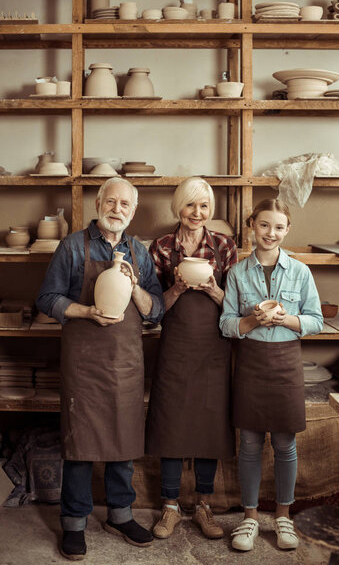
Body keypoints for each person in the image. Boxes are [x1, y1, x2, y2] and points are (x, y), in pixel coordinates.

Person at [36, 177, 164, 561]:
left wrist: (135, 287)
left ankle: (120, 515)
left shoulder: (138, 252)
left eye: (125, 204)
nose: (117, 209)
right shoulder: (73, 246)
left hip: (124, 360)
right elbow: (47, 298)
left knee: (123, 440)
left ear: (133, 210)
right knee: (80, 443)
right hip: (84, 361)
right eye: (111, 202)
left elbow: (155, 308)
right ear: (98, 204)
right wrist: (86, 311)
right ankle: (74, 522)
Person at [219, 198, 323, 552]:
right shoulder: (236, 273)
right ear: (252, 225)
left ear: (287, 230)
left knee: (284, 444)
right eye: (264, 225)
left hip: (285, 362)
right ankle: (249, 518)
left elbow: (316, 320)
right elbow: (225, 324)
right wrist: (250, 321)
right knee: (248, 444)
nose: (271, 233)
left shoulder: (300, 271)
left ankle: (283, 517)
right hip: (250, 362)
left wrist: (285, 320)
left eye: (279, 227)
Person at [146, 177, 238, 540]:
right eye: (190, 206)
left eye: (204, 206)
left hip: (213, 345)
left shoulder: (224, 246)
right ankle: (169, 507)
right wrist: (177, 288)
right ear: (178, 208)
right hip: (176, 346)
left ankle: (203, 505)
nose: (197, 213)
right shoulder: (162, 247)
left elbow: (236, 307)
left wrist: (214, 288)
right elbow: (154, 309)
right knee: (171, 423)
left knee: (208, 425)